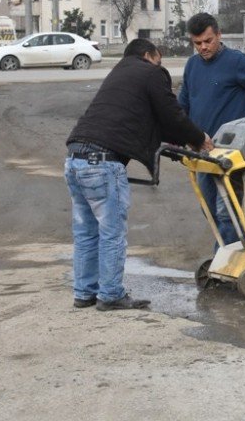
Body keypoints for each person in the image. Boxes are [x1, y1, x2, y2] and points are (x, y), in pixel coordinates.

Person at [65, 39, 210, 311]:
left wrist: (180, 141)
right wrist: (199, 138)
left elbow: (146, 121)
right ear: (148, 55)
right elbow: (170, 114)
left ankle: (84, 293)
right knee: (112, 232)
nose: (160, 67)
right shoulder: (150, 72)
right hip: (103, 163)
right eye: (159, 60)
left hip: (75, 159)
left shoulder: (120, 74)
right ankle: (110, 295)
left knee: (86, 232)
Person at [178, 12, 245, 251]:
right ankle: (240, 252)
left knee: (226, 212)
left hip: (231, 154)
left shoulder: (236, 62)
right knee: (210, 210)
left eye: (208, 41)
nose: (203, 47)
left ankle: (228, 261)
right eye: (197, 43)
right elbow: (182, 105)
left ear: (219, 35)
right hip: (202, 152)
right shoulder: (192, 66)